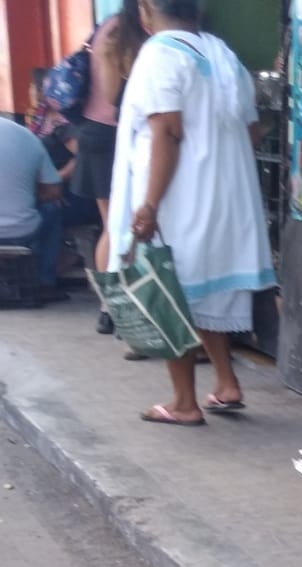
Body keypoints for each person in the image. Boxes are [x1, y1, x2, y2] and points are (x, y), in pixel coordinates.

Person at [108, 0, 275, 426]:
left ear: (145, 9)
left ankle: (184, 402)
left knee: (171, 295)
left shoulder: (159, 53)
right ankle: (226, 382)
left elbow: (167, 131)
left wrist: (149, 204)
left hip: (177, 201)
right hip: (225, 199)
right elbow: (252, 131)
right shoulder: (224, 55)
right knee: (204, 296)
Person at [80, 2, 149, 334]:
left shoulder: (109, 26)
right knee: (119, 226)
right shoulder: (124, 32)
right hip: (115, 137)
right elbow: (113, 98)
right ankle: (119, 309)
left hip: (96, 134)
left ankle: (111, 309)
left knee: (112, 225)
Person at [0, 118, 68, 301]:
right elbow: (54, 191)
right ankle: (46, 283)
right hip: (22, 230)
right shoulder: (26, 135)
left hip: (21, 230)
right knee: (53, 208)